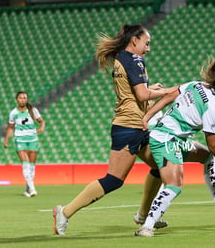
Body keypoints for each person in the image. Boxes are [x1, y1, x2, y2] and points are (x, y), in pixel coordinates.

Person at [53, 24, 176, 235]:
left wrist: (152, 89)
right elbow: (142, 96)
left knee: (160, 166)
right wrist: (173, 90)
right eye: (147, 44)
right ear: (134, 40)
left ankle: (144, 215)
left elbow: (138, 92)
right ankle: (64, 212)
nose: (148, 49)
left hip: (137, 126)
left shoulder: (123, 58)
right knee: (114, 180)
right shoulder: (134, 60)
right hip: (129, 127)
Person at [135, 36, 215, 237]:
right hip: (167, 140)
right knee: (174, 186)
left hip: (172, 138)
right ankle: (146, 226)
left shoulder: (196, 85)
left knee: (206, 157)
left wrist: (148, 116)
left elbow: (169, 95)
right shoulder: (213, 108)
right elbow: (213, 144)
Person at [133, 111, 215, 227]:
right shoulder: (143, 106)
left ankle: (145, 216)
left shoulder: (159, 107)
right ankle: (148, 223)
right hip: (163, 141)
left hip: (171, 140)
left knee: (204, 157)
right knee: (172, 182)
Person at [3, 91, 45, 197]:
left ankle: (27, 189)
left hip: (32, 139)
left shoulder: (33, 110)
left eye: (25, 98)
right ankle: (32, 189)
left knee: (32, 166)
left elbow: (41, 121)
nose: (23, 99)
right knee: (25, 164)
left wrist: (41, 128)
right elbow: (11, 127)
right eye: (21, 98)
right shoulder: (13, 113)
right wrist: (7, 139)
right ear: (17, 100)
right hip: (20, 140)